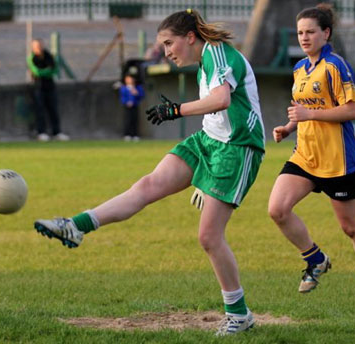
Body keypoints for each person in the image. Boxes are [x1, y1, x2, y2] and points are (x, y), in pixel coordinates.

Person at [34, 8, 265, 336]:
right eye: (163, 45)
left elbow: (221, 99)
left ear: (190, 37)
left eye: (170, 43)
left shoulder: (217, 53)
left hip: (237, 148)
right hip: (208, 140)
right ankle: (75, 226)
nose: (166, 51)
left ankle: (239, 315)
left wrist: (176, 110)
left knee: (209, 237)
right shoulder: (206, 60)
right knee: (148, 184)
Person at [268, 3, 355, 305]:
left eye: (310, 32)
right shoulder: (299, 69)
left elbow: (351, 109)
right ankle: (316, 259)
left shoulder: (335, 65)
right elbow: (303, 112)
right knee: (277, 209)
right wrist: (289, 126)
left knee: (350, 227)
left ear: (326, 33)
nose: (304, 37)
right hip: (305, 156)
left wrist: (310, 113)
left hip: (338, 160)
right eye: (300, 33)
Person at [27, 39, 69, 142]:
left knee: (53, 110)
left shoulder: (49, 56)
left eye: (40, 45)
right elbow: (37, 72)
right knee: (40, 111)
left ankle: (57, 132)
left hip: (50, 87)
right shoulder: (31, 58)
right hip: (38, 88)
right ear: (33, 47)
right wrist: (46, 71)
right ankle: (41, 132)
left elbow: (54, 70)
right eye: (36, 46)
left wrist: (45, 72)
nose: (39, 47)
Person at [119, 73, 145, 141]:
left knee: (135, 120)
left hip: (135, 106)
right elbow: (122, 97)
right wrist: (126, 102)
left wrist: (136, 93)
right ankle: (127, 134)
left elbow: (141, 96)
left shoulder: (137, 87)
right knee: (127, 120)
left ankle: (135, 135)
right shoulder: (124, 88)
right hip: (127, 107)